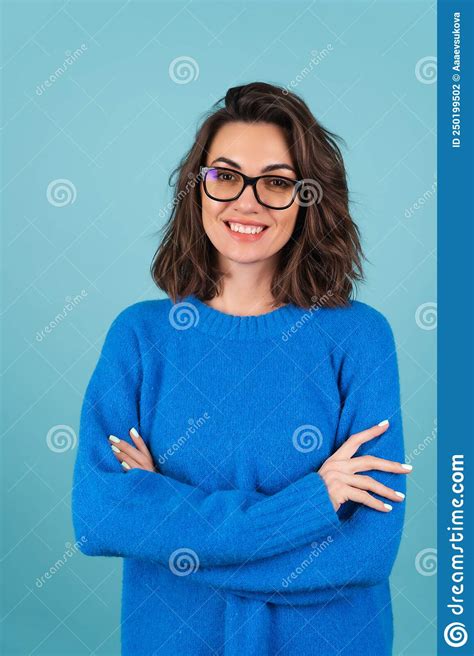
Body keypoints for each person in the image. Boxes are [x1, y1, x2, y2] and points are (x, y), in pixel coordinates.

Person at [71, 81, 412, 655]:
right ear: (196, 188)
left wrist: (170, 535)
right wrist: (311, 505)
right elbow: (99, 517)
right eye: (225, 176)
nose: (246, 202)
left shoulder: (359, 337)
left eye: (276, 182)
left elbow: (368, 551)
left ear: (307, 197)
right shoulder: (141, 336)